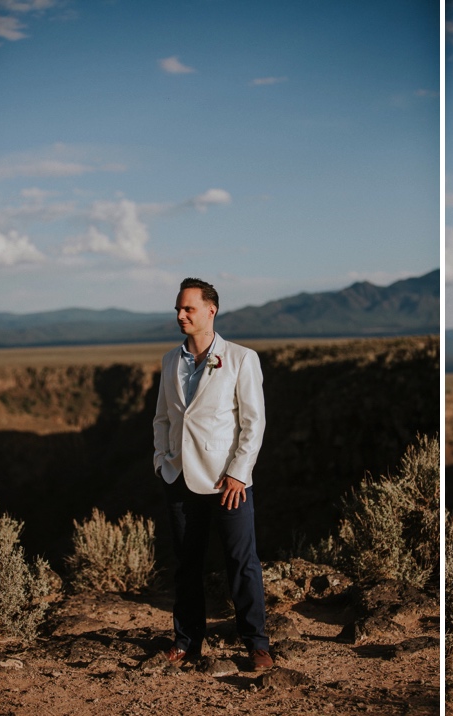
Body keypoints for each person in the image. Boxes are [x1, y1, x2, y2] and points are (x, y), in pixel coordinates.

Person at [152, 277, 273, 671]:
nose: (181, 315)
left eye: (188, 308)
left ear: (211, 311)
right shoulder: (170, 361)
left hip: (228, 483)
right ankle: (187, 642)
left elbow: (253, 423)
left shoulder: (241, 358)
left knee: (242, 562)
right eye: (178, 308)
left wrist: (239, 473)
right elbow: (163, 418)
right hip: (180, 478)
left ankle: (257, 645)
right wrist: (161, 460)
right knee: (187, 565)